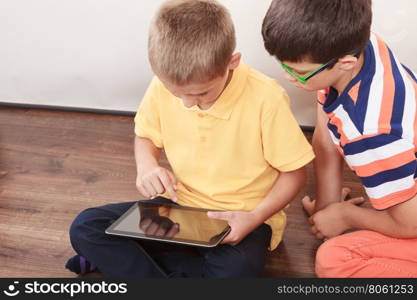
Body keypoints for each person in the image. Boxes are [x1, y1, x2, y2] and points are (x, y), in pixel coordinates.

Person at [65, 0, 314, 278]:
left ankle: (130, 263)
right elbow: (145, 136)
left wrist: (253, 218)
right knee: (86, 226)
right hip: (178, 208)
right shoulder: (162, 85)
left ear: (232, 63)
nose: (187, 104)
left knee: (236, 269)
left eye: (201, 93)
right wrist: (147, 166)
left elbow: (294, 174)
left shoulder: (266, 98)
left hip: (239, 219)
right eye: (176, 93)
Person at [262, 0, 417, 277]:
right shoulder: (360, 43)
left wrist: (346, 216)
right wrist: (327, 206)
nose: (290, 79)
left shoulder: (369, 132)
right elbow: (325, 136)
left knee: (334, 260)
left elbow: (410, 224)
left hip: (412, 217)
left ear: (344, 62)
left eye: (299, 72)